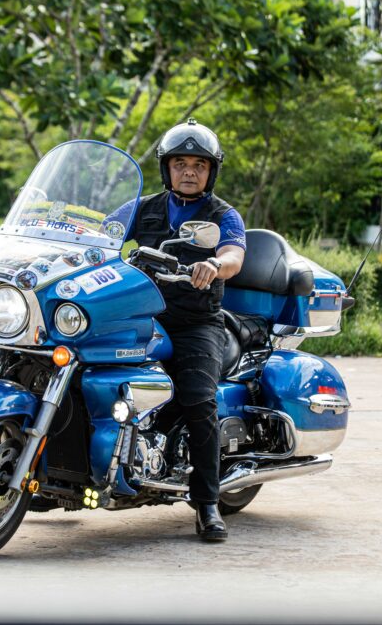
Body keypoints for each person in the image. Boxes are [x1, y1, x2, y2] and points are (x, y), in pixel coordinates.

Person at [122, 119, 246, 542]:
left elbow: (233, 255)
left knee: (198, 399)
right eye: (180, 164)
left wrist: (214, 265)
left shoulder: (223, 215)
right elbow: (101, 232)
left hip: (196, 321)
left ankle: (207, 502)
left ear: (212, 171)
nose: (189, 172)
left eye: (199, 165)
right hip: (142, 315)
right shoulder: (143, 208)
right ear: (166, 168)